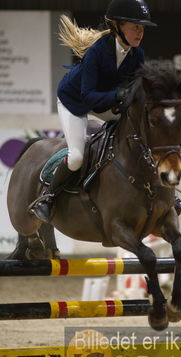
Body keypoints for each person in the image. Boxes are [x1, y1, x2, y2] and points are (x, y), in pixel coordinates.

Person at [30, 0, 157, 223]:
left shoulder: (137, 54)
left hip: (103, 105)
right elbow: (88, 95)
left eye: (142, 27)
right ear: (118, 25)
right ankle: (47, 198)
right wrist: (118, 96)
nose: (140, 32)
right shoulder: (97, 52)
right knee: (77, 157)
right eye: (135, 26)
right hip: (75, 103)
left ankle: (163, 191)